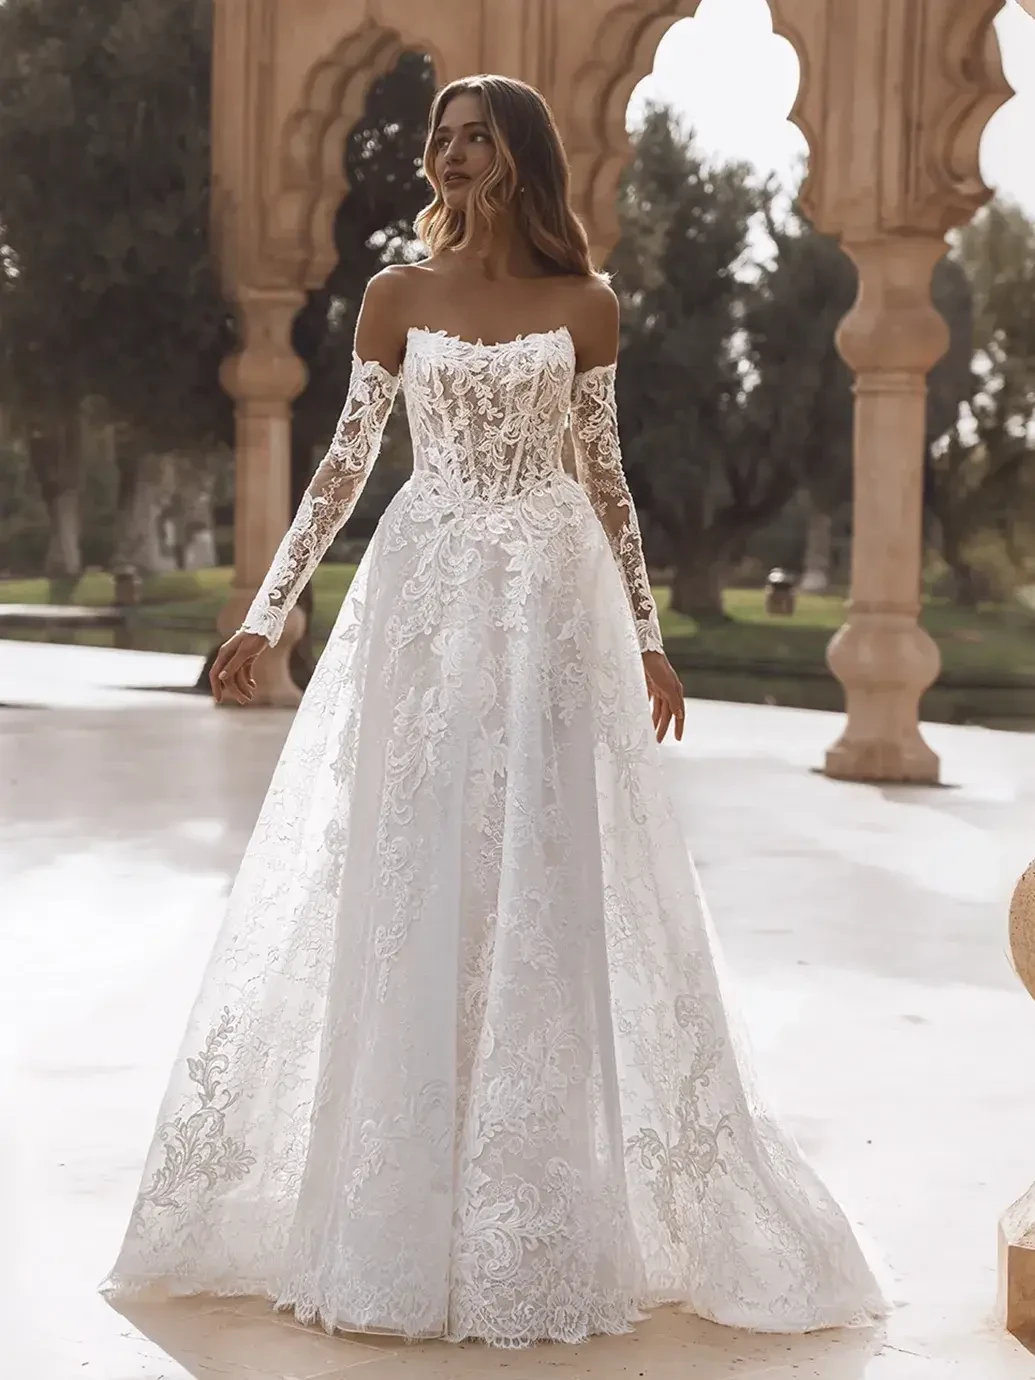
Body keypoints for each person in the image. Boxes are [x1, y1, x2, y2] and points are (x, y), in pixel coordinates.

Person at [102, 74, 886, 1348]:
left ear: (520, 156)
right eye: (442, 139)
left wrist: (649, 639)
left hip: (552, 612)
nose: (452, 155)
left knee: (538, 877)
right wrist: (267, 608)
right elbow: (345, 463)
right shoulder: (396, 295)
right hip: (425, 602)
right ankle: (393, 1210)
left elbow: (606, 480)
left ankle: (529, 1214)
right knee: (417, 873)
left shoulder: (588, 306)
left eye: (475, 138)